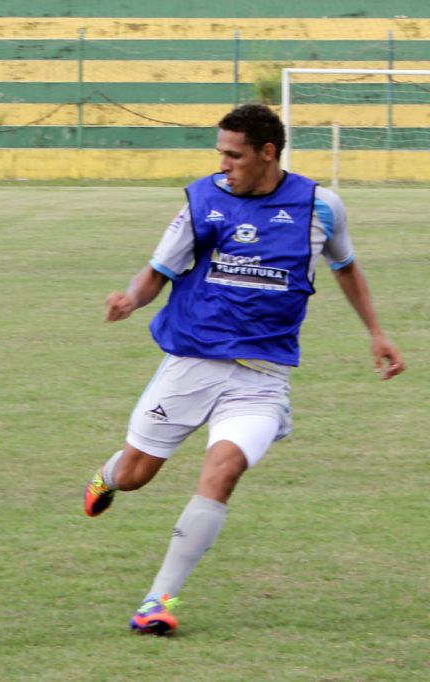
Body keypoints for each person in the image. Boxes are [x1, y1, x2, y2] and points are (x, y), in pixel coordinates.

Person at [82, 103, 405, 636]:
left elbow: (346, 268)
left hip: (261, 376)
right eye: (220, 155)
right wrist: (130, 301)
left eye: (234, 156)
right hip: (191, 363)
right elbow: (157, 272)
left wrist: (376, 332)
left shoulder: (320, 207)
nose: (224, 165)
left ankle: (157, 600)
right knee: (137, 475)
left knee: (223, 470)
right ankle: (108, 475)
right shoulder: (202, 201)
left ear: (268, 153)